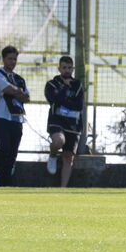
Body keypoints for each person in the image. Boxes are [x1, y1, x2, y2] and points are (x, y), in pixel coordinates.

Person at [0, 45, 30, 186]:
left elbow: (27, 97)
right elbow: (7, 89)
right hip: (0, 118)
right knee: (4, 147)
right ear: (4, 59)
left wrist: (16, 91)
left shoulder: (19, 79)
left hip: (17, 119)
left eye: (15, 59)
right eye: (10, 59)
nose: (12, 62)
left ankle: (6, 182)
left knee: (13, 151)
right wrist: (18, 91)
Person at [45, 56, 85, 187]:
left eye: (69, 68)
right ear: (59, 69)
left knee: (68, 157)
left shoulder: (78, 85)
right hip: (56, 121)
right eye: (64, 68)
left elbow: (78, 105)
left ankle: (63, 189)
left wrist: (63, 101)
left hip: (73, 125)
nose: (67, 70)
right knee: (59, 141)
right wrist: (63, 90)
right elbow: (54, 99)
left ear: (73, 69)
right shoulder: (51, 84)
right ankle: (52, 156)